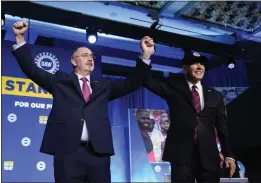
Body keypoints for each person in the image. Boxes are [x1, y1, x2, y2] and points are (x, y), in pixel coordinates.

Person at [12, 20, 152, 183]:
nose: (90, 58)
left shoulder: (103, 85)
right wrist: (20, 38)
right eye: (84, 55)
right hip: (68, 153)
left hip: (98, 154)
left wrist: (146, 55)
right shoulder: (59, 81)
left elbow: (132, 83)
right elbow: (32, 70)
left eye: (92, 56)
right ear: (74, 61)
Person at [139, 36, 236, 182]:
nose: (199, 67)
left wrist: (228, 154)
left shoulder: (215, 96)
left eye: (201, 64)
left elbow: (222, 129)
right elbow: (147, 81)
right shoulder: (173, 88)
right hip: (181, 157)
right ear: (185, 69)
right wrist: (146, 55)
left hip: (209, 157)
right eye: (194, 63)